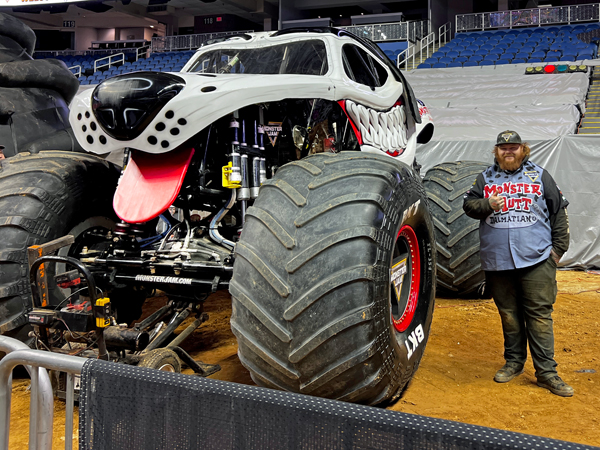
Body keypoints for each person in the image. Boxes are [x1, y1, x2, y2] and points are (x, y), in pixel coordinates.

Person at [463, 130, 573, 397]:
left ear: (524, 150)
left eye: (514, 147)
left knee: (538, 316)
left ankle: (547, 373)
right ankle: (513, 363)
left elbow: (559, 212)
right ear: (496, 152)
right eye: (503, 148)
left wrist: (556, 253)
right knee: (509, 314)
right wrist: (487, 203)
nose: (508, 152)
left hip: (536, 259)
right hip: (498, 260)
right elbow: (469, 205)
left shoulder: (540, 176)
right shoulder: (486, 178)